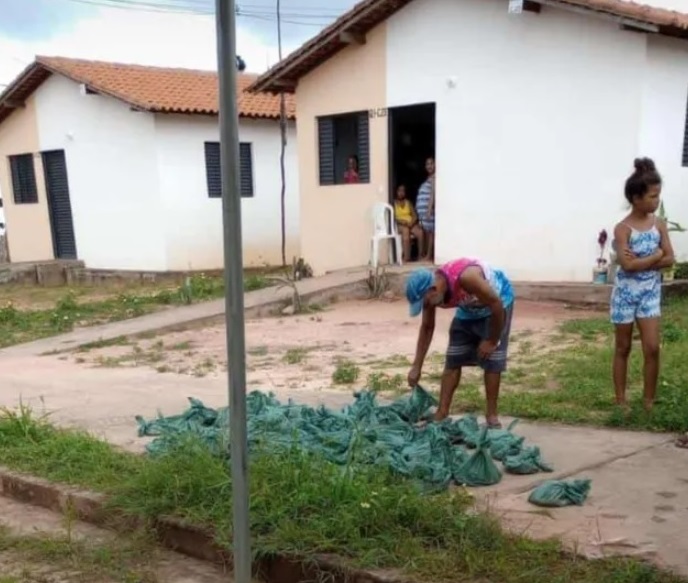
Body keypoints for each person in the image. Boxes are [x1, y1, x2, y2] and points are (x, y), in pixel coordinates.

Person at [405, 259, 514, 427]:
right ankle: (442, 412)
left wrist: (492, 340)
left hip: (498, 305)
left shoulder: (467, 278)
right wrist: (416, 366)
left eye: (424, 303)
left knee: (492, 360)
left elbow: (496, 304)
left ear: (432, 290)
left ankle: (492, 415)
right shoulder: (432, 295)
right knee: (454, 357)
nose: (426, 307)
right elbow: (427, 327)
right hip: (469, 308)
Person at [611, 157, 675, 414]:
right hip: (625, 295)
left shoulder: (659, 225)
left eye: (658, 195)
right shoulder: (622, 229)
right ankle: (621, 401)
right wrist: (656, 256)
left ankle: (649, 400)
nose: (656, 201)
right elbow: (628, 267)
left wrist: (646, 261)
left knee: (652, 347)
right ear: (636, 198)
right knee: (623, 347)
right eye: (651, 196)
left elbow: (671, 259)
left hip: (649, 293)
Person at [393, 184, 424, 262]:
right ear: (396, 192)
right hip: (400, 224)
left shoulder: (408, 203)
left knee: (420, 232)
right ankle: (406, 257)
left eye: (403, 191)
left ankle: (420, 256)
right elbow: (393, 217)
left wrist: (411, 223)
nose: (401, 193)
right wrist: (402, 222)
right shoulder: (393, 203)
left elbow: (414, 215)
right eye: (399, 190)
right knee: (405, 231)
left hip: (410, 223)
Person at [415, 157, 435, 260]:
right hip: (423, 211)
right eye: (427, 164)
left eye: (431, 163)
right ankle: (426, 255)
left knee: (430, 232)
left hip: (427, 210)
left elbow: (432, 194)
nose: (429, 166)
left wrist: (429, 209)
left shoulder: (434, 178)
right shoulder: (429, 178)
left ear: (435, 165)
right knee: (426, 232)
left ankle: (428, 256)